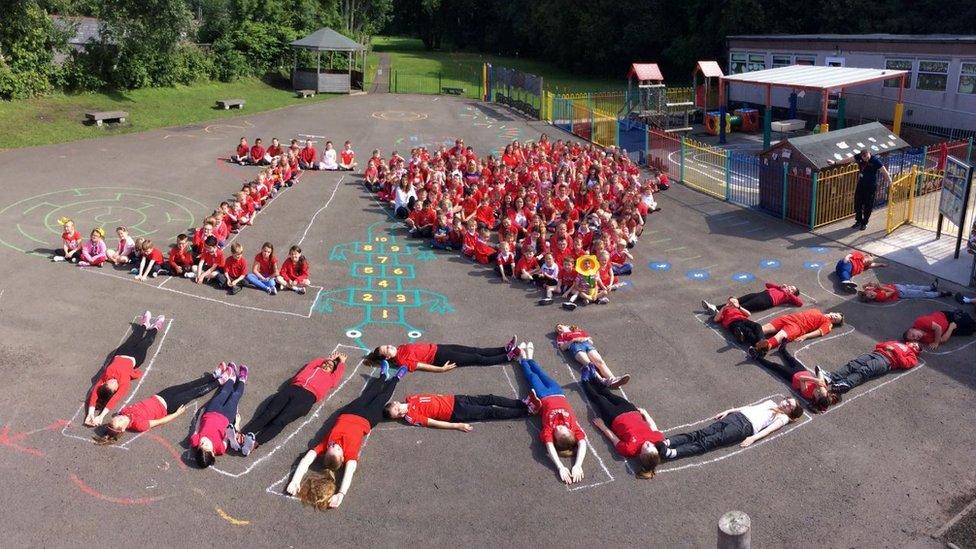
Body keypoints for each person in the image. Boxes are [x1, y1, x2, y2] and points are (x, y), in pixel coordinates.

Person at [285, 367, 407, 509]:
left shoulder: (324, 444)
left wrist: (295, 481)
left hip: (350, 412)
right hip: (368, 419)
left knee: (368, 394)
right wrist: (341, 494)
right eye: (336, 449)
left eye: (331, 447)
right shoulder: (350, 454)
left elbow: (306, 461)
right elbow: (348, 473)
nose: (334, 445)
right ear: (343, 458)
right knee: (382, 398)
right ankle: (396, 378)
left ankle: (382, 376)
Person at [92, 363, 234, 445]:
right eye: (121, 420)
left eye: (117, 417)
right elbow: (159, 421)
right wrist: (176, 414)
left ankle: (213, 375)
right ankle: (219, 382)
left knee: (187, 385)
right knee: (194, 393)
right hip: (170, 406)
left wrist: (100, 418)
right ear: (123, 429)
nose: (121, 417)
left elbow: (118, 414)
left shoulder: (123, 412)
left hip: (160, 396)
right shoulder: (139, 425)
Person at [238, 354, 346, 456]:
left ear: (332, 371)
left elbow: (338, 373)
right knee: (269, 412)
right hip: (293, 388)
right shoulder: (312, 368)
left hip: (307, 397)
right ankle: (243, 434)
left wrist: (341, 362)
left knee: (280, 420)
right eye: (325, 363)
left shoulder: (331, 379)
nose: (326, 365)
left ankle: (255, 443)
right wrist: (328, 358)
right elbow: (315, 362)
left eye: (330, 366)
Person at [516, 343, 587, 485]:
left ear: (555, 437)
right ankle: (530, 358)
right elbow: (583, 444)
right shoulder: (574, 428)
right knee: (541, 373)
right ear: (571, 431)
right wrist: (578, 464)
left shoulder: (548, 430)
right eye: (564, 430)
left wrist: (560, 466)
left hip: (543, 395)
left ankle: (522, 359)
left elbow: (550, 448)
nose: (560, 428)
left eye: (558, 432)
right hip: (558, 393)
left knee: (532, 376)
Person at [83, 312, 166, 426]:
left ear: (104, 383)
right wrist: (101, 416)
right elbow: (114, 400)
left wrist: (90, 414)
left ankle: (145, 324)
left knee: (134, 338)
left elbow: (94, 395)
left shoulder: (105, 377)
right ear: (115, 390)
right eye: (113, 384)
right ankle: (156, 326)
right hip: (136, 358)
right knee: (146, 342)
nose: (112, 380)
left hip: (121, 353)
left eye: (108, 382)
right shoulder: (124, 383)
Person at [659, 398, 802, 460]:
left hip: (745, 427)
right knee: (702, 432)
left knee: (709, 441)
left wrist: (752, 438)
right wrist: (729, 410)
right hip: (737, 416)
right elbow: (749, 407)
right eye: (787, 401)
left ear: (791, 413)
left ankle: (673, 453)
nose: (786, 404)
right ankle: (668, 442)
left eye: (790, 406)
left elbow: (769, 430)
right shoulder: (770, 402)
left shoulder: (782, 418)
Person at [583, 374, 662, 479]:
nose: (649, 444)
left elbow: (614, 438)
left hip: (614, 417)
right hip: (630, 410)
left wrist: (602, 426)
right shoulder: (657, 439)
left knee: (599, 399)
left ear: (641, 455)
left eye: (647, 447)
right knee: (609, 394)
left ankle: (585, 381)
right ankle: (594, 377)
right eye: (652, 446)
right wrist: (646, 414)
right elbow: (653, 426)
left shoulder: (630, 450)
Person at [748, 343, 839, 413]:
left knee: (775, 366)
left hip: (792, 376)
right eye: (822, 394)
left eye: (818, 395)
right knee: (791, 359)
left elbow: (802, 379)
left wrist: (816, 380)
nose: (819, 392)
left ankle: (756, 357)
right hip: (802, 371)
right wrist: (820, 376)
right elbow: (819, 371)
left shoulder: (808, 394)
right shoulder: (823, 391)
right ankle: (782, 350)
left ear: (815, 399)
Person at [190, 364, 249, 468]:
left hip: (211, 411)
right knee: (234, 397)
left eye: (201, 446)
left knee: (223, 393)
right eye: (206, 446)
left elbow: (197, 428)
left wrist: (200, 415)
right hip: (227, 417)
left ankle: (232, 378)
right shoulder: (220, 448)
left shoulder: (195, 441)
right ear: (213, 453)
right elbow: (228, 435)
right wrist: (237, 423)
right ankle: (242, 380)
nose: (203, 443)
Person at [384, 392, 529, 432]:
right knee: (490, 411)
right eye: (396, 415)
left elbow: (431, 397)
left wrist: (443, 396)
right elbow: (433, 423)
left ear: (396, 403)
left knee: (489, 398)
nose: (399, 413)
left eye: (396, 409)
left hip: (456, 399)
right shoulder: (411, 417)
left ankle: (522, 403)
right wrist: (457, 425)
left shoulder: (411, 398)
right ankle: (526, 411)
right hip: (456, 411)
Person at [365, 336, 520, 373]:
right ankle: (507, 357)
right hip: (440, 357)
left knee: (475, 350)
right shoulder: (400, 360)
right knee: (476, 359)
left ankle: (504, 349)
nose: (389, 346)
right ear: (387, 357)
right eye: (387, 349)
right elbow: (420, 365)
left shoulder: (400, 348)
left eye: (386, 345)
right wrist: (440, 369)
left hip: (440, 348)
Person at [821, 340, 921, 393]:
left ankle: (846, 383)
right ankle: (832, 377)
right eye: (915, 344)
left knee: (865, 370)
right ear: (910, 342)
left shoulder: (912, 356)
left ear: (917, 352)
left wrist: (894, 351)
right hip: (876, 353)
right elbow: (880, 345)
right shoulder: (896, 342)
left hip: (886, 361)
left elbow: (905, 363)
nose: (915, 346)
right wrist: (886, 347)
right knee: (854, 364)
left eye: (918, 347)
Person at [554, 324, 629, 388]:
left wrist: (583, 339)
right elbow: (563, 347)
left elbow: (591, 341)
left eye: (560, 326)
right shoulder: (561, 336)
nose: (559, 329)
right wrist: (573, 340)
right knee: (589, 364)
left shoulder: (579, 331)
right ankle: (602, 381)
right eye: (557, 329)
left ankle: (613, 379)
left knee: (600, 362)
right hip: (575, 346)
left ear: (566, 326)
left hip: (586, 344)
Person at [751, 309, 844, 356]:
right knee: (765, 328)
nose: (834, 317)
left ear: (834, 323)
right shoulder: (817, 310)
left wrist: (806, 336)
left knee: (780, 336)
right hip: (790, 318)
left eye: (836, 320)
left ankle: (763, 348)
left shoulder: (828, 324)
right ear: (832, 312)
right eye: (835, 315)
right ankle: (748, 335)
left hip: (798, 327)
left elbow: (819, 332)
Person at [702, 282, 803, 316]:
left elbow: (800, 303)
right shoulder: (780, 289)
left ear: (793, 293)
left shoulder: (788, 297)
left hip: (766, 301)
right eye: (790, 286)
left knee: (741, 307)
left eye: (792, 289)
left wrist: (789, 294)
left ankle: (720, 313)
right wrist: (780, 287)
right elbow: (767, 284)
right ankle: (715, 307)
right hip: (760, 294)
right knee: (739, 300)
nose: (789, 288)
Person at [852, 149, 892, 231]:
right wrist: (835, 163)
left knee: (868, 205)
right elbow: (849, 159)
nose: (865, 159)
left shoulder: (875, 161)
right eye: (864, 158)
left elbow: (884, 172)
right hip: (861, 184)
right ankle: (858, 221)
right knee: (857, 203)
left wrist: (890, 182)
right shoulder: (859, 157)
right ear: (861, 156)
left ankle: (864, 222)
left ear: (869, 154)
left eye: (867, 157)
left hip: (870, 186)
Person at [904, 309, 976, 349]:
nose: (916, 337)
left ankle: (959, 313)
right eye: (914, 339)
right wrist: (951, 328)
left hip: (946, 317)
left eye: (913, 335)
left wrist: (936, 342)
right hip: (948, 328)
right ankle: (960, 316)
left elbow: (938, 328)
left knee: (968, 321)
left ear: (912, 329)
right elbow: (943, 339)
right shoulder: (925, 339)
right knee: (970, 331)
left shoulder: (920, 322)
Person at [858, 280, 951, 302]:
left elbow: (863, 286)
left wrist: (868, 284)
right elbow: (892, 292)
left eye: (870, 293)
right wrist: (880, 287)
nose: (872, 294)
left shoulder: (868, 290)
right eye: (871, 296)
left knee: (916, 287)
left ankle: (931, 287)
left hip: (897, 286)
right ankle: (939, 294)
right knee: (920, 293)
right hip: (901, 292)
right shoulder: (880, 297)